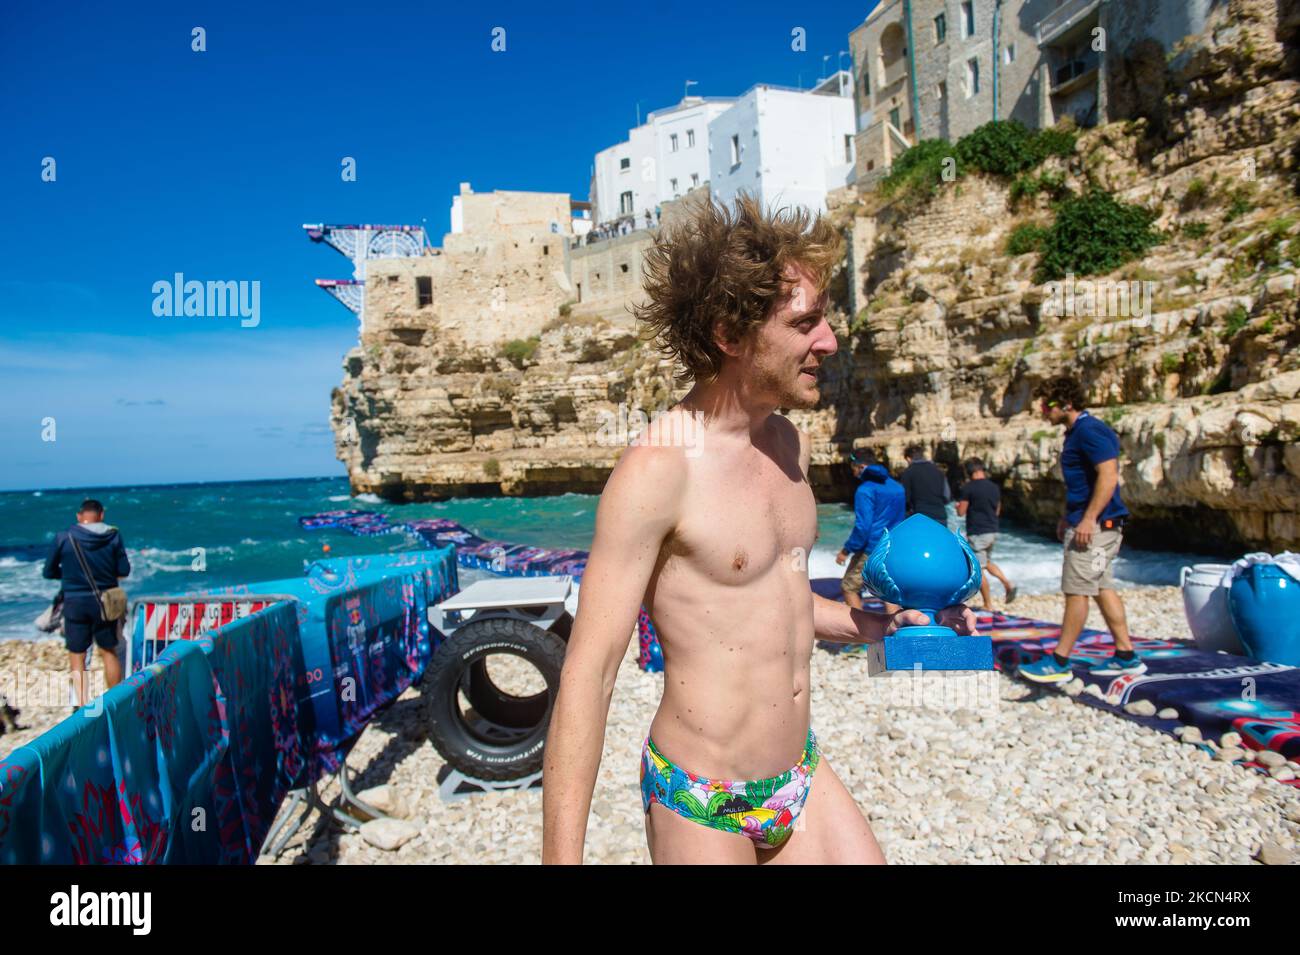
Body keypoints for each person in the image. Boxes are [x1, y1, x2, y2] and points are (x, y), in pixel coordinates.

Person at [541, 193, 976, 865]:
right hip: (702, 796)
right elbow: (589, 675)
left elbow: (782, 602)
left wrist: (877, 628)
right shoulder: (658, 471)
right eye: (806, 323)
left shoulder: (791, 447)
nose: (829, 340)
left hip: (798, 775)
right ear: (730, 333)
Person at [1019, 374, 1141, 683]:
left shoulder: (1089, 431)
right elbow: (1085, 483)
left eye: (1047, 405)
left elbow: (1108, 475)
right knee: (1101, 586)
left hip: (1096, 528)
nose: (1043, 411)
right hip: (1097, 523)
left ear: (1066, 403)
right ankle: (1126, 655)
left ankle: (1059, 661)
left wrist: (1088, 519)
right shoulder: (1077, 432)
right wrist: (1069, 515)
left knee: (1076, 590)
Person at [42, 499, 131, 706]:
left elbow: (49, 571)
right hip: (104, 602)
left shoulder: (64, 537)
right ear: (101, 515)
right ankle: (115, 702)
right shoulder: (113, 536)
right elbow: (124, 570)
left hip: (74, 601)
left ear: (79, 516)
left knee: (77, 655)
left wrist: (70, 576)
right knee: (108, 651)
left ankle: (82, 706)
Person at [835, 449, 905, 611]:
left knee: (849, 587)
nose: (852, 471)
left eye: (853, 466)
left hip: (872, 547)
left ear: (861, 466)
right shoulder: (897, 487)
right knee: (887, 587)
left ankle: (860, 634)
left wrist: (846, 550)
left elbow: (863, 527)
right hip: (894, 544)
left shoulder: (865, 489)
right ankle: (894, 630)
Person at [956, 458, 1017, 610]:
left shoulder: (968, 488)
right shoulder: (994, 487)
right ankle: (1007, 583)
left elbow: (961, 512)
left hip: (977, 532)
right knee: (987, 561)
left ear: (969, 472)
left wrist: (958, 506)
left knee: (979, 568)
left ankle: (988, 604)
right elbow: (997, 509)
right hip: (993, 530)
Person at [899, 444, 950, 525]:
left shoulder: (908, 473)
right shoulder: (938, 471)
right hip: (940, 516)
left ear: (908, 458)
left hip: (921, 517)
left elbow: (906, 499)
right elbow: (947, 497)